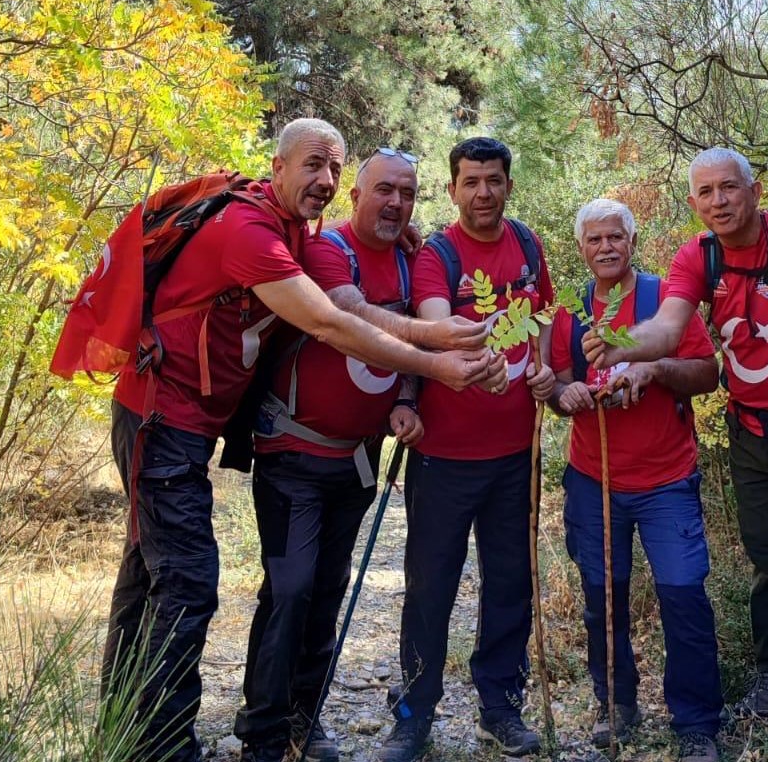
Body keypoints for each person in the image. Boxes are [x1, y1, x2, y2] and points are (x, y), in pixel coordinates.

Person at [102, 119, 494, 762]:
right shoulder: (250, 230)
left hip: (191, 427)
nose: (324, 180)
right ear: (277, 167)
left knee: (149, 580)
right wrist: (440, 357)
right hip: (158, 417)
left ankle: (125, 733)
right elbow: (330, 320)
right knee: (188, 583)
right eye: (314, 166)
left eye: (333, 169)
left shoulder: (290, 227)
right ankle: (165, 745)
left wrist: (409, 383)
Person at [582, 148, 768, 762]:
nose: (718, 201)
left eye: (728, 188)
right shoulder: (699, 255)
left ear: (753, 190)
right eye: (706, 192)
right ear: (694, 202)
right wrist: (620, 343)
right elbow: (667, 329)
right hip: (748, 432)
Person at [232, 148, 436, 762]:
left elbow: (399, 352)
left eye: (406, 192)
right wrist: (436, 353)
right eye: (383, 190)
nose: (395, 203)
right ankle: (263, 731)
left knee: (328, 588)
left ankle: (304, 716)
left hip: (356, 460)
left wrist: (406, 395)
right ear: (356, 195)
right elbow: (348, 316)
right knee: (290, 589)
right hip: (293, 453)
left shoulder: (410, 263)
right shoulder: (327, 251)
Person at [377, 137, 555, 762]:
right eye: (472, 181)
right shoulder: (438, 256)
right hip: (444, 456)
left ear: (509, 184)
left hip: (514, 456)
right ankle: (413, 715)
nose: (484, 192)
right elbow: (435, 331)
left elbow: (546, 322)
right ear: (452, 189)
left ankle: (499, 708)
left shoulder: (529, 246)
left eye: (495, 180)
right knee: (431, 587)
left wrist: (545, 372)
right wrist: (474, 357)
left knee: (510, 584)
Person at [549, 198, 725, 762]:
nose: (606, 248)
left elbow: (707, 374)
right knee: (604, 599)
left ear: (631, 241)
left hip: (667, 479)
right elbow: (558, 383)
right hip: (592, 479)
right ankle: (616, 704)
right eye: (595, 239)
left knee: (683, 595)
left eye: (615, 238)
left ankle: (696, 724)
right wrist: (566, 394)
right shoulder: (570, 313)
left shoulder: (662, 302)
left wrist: (652, 371)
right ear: (582, 248)